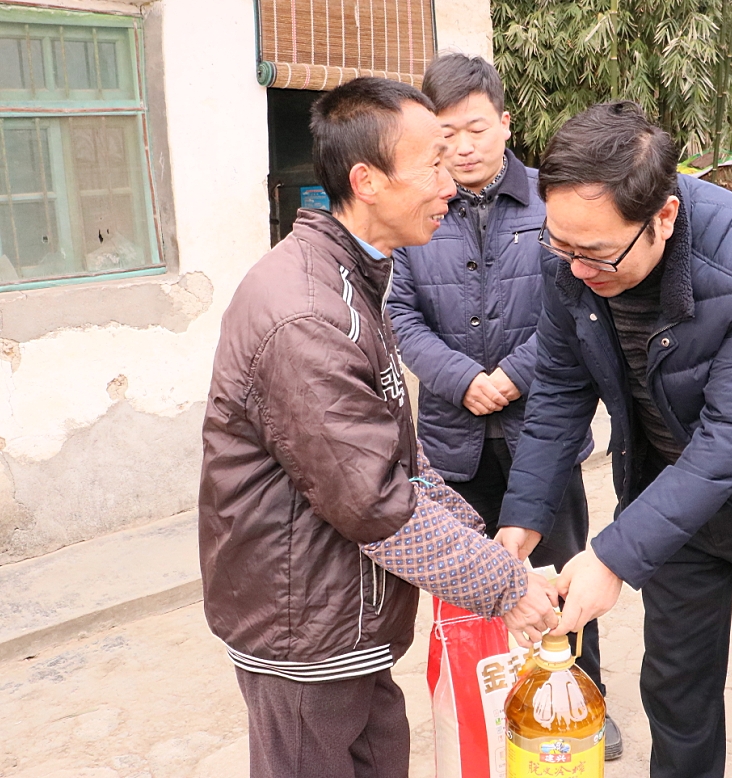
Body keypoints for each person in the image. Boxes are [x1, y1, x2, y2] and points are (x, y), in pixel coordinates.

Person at [496, 102, 732, 778]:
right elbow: (559, 386)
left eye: (594, 254)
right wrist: (522, 520)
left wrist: (611, 558)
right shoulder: (571, 252)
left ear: (663, 217)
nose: (575, 268)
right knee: (675, 685)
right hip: (671, 498)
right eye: (560, 246)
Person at [198, 77, 559, 778]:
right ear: (366, 180)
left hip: (343, 617)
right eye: (430, 162)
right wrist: (504, 586)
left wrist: (485, 551)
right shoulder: (305, 315)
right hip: (305, 630)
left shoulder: (353, 279)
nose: (448, 180)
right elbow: (372, 501)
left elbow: (400, 457)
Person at [386, 54, 623, 761]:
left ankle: (578, 695)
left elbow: (573, 304)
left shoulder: (550, 201)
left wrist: (513, 377)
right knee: (466, 579)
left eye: (476, 129)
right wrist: (461, 378)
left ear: (504, 123)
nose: (462, 147)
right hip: (453, 436)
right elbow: (399, 312)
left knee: (559, 577)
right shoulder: (420, 208)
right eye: (447, 134)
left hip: (538, 428)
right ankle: (488, 700)